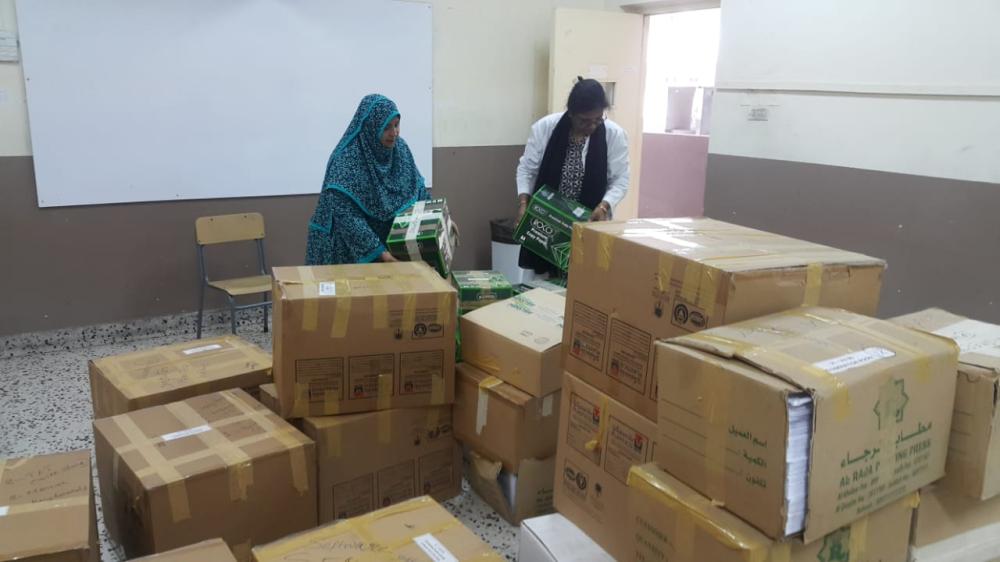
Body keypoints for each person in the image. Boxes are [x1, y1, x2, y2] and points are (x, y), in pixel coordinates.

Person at [515, 78, 630, 273]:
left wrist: (603, 206)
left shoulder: (614, 135)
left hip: (589, 223)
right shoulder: (545, 128)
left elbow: (620, 179)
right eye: (584, 120)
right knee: (544, 286)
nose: (592, 126)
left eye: (597, 120)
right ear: (571, 113)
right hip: (547, 222)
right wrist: (524, 205)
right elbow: (527, 169)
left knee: (585, 279)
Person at [306, 94, 427, 265]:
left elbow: (418, 190)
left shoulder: (400, 150)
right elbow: (349, 218)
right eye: (386, 127)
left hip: (383, 247)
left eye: (397, 125)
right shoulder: (346, 161)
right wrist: (382, 254)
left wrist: (441, 221)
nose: (394, 133)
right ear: (371, 127)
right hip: (343, 246)